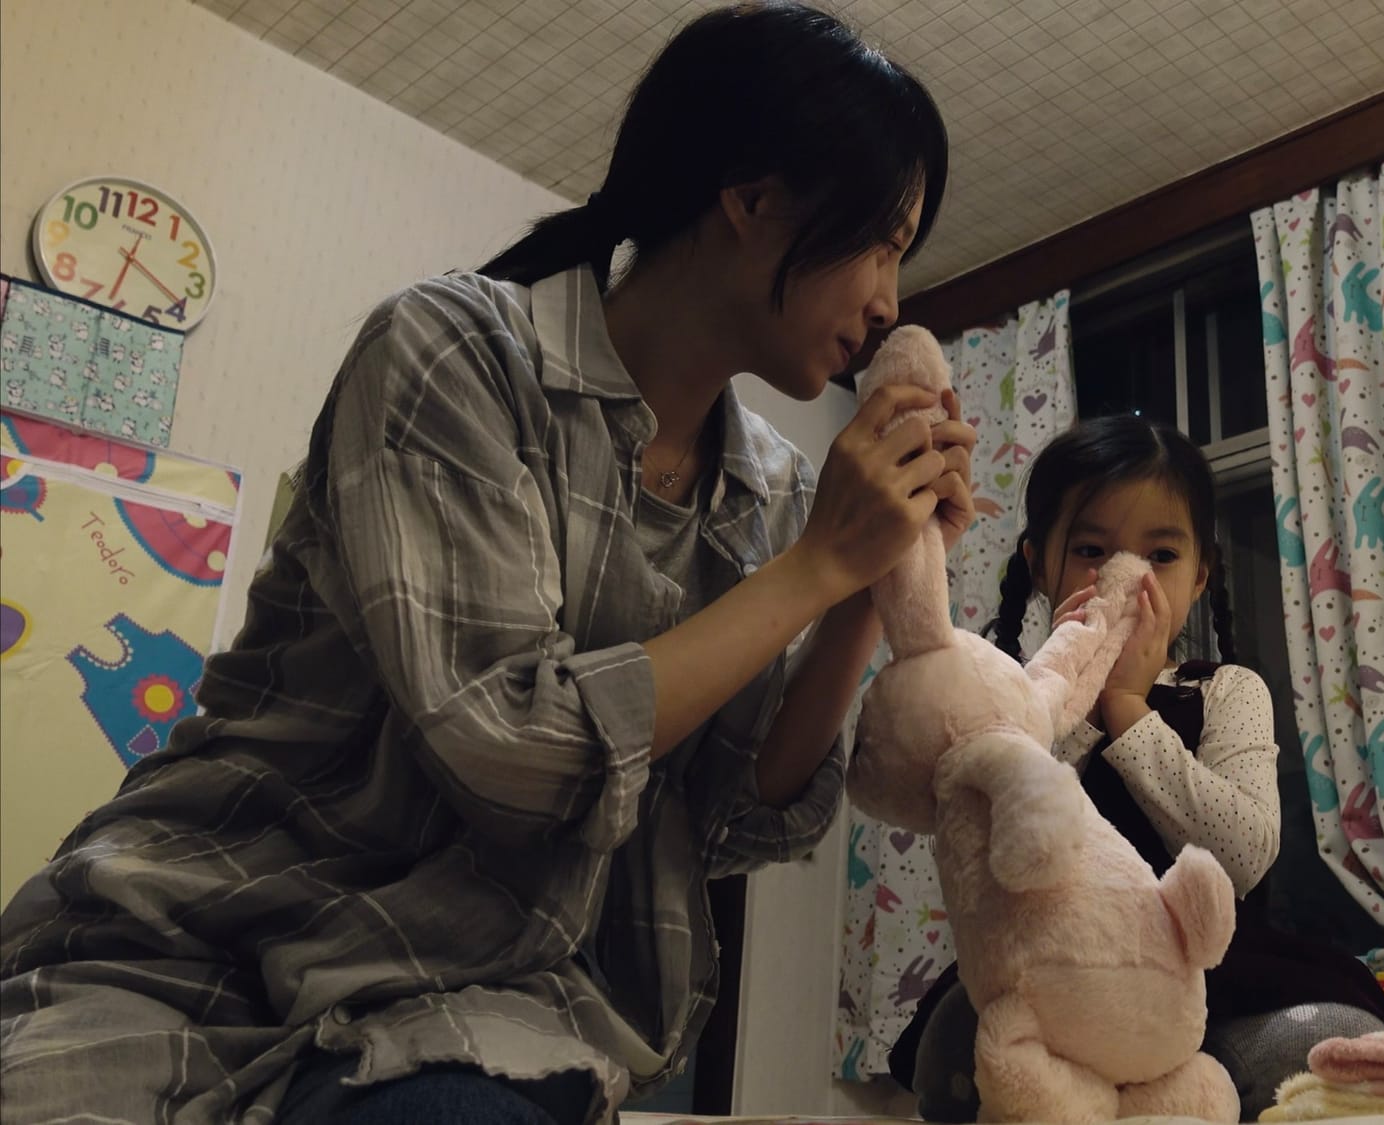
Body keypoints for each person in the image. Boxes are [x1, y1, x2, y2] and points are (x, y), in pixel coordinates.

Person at [0, 5, 967, 1124]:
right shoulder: (453, 350)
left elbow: (735, 814)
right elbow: (510, 749)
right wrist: (813, 567)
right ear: (750, 201)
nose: (889, 302)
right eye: (880, 243)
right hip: (208, 932)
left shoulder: (776, 498)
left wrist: (863, 581)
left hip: (464, 997)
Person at [889, 415, 1384, 1121]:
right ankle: (1119, 1092)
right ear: (1040, 566)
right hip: (1054, 980)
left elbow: (1242, 856)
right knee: (949, 1046)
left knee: (1341, 1037)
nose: (1127, 579)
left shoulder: (1227, 691)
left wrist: (1129, 706)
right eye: (1092, 550)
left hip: (1211, 980)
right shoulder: (1017, 700)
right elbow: (983, 856)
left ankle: (1176, 1086)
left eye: (1161, 554)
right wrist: (1075, 696)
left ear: (1200, 575)